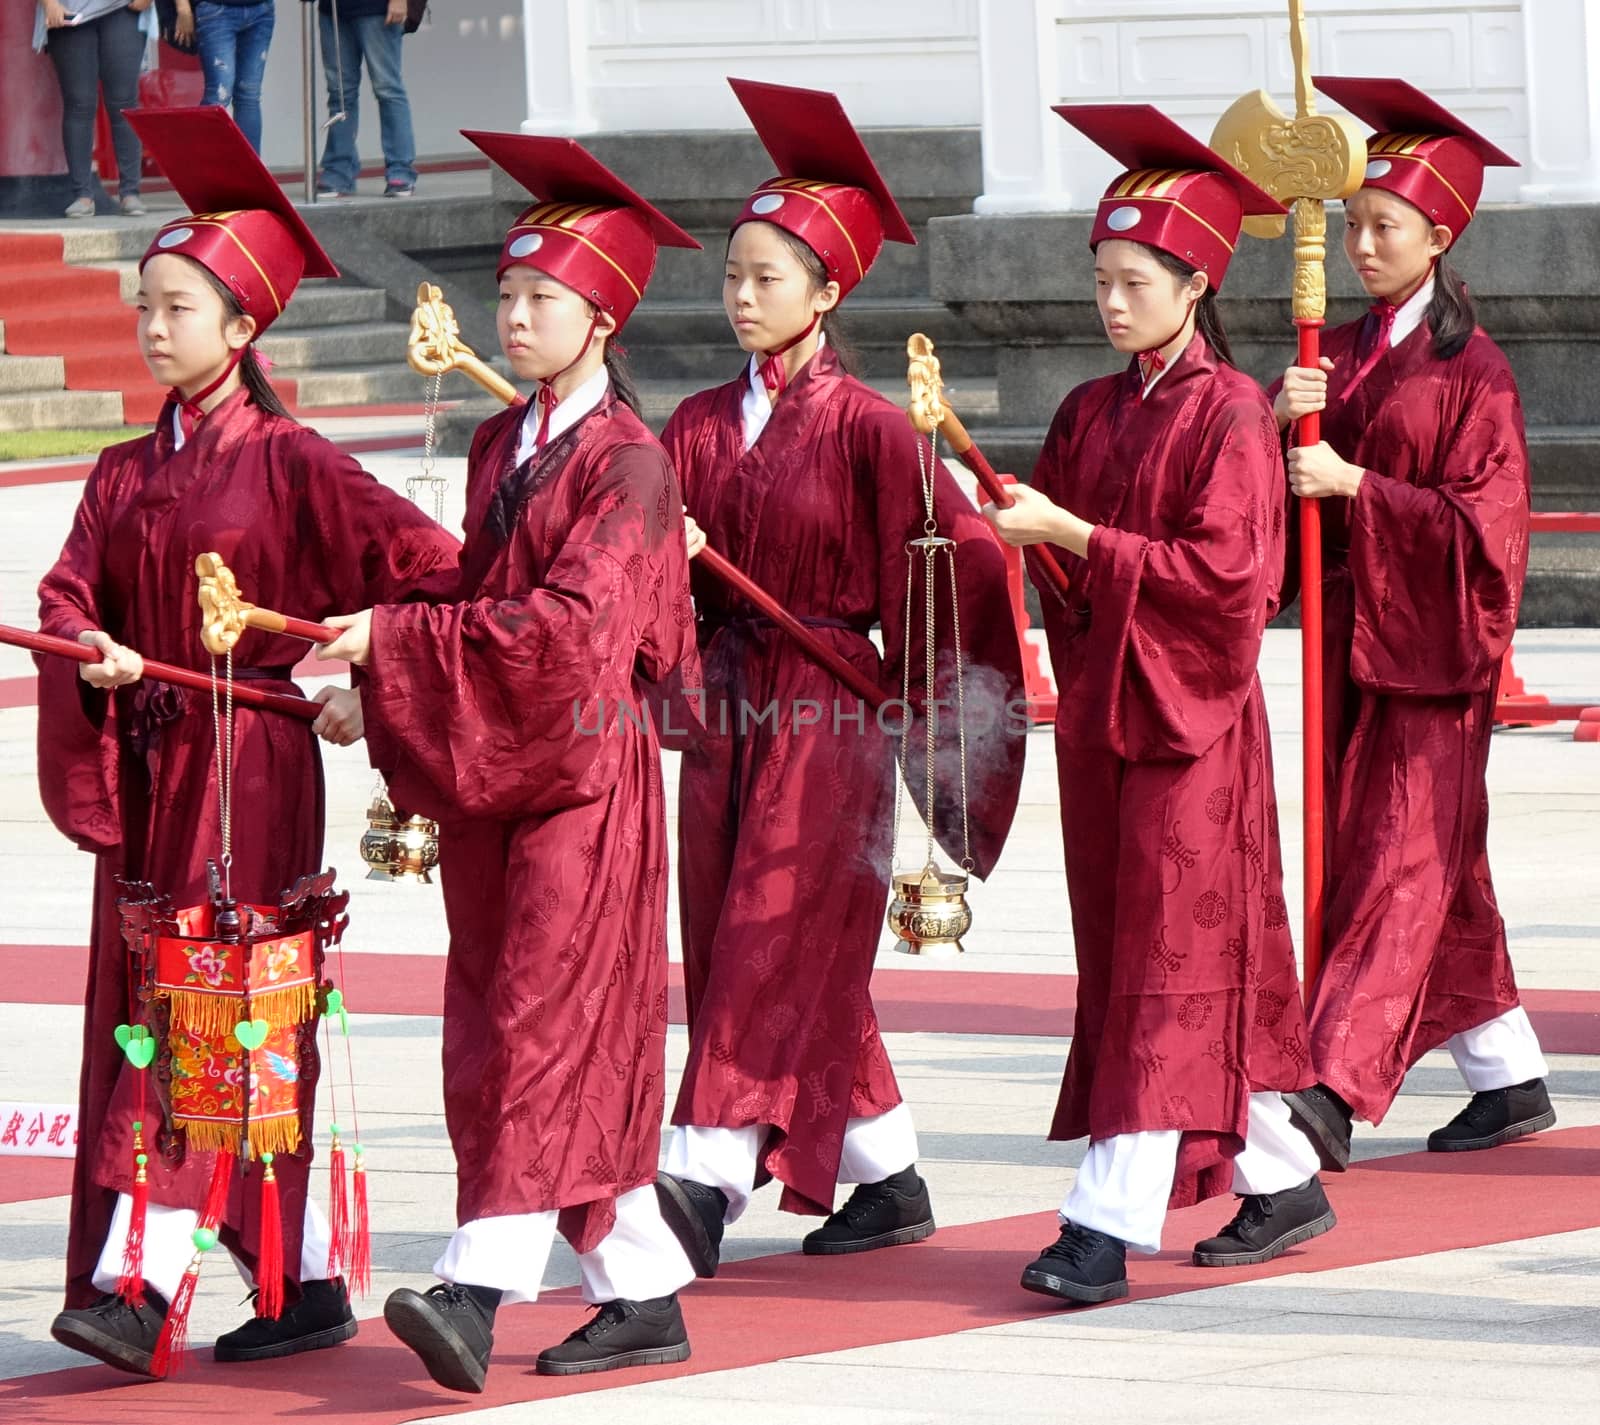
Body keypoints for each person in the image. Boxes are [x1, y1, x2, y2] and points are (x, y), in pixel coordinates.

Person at [37, 107, 461, 1379]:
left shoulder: (296, 463)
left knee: (214, 1011)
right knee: (204, 1014)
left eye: (177, 308)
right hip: (156, 762)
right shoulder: (121, 470)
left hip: (251, 774)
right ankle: (306, 1280)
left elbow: (434, 576)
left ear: (244, 327)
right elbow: (65, 594)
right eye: (147, 307)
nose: (155, 327)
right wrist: (93, 653)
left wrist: (359, 675)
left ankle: (141, 1280)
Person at [316, 129, 704, 1392]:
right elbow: (477, 602)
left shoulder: (633, 465)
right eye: (510, 296)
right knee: (503, 1025)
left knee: (539, 1026)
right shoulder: (504, 448)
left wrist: (402, 639)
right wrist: (375, 678)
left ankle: (476, 1288)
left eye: (543, 299)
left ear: (603, 319)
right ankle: (640, 1287)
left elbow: (575, 637)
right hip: (503, 777)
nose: (518, 315)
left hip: (585, 785)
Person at [652, 78, 1026, 1279]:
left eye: (769, 279)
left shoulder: (873, 428)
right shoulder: (695, 423)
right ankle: (889, 1170)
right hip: (727, 705)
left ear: (828, 292)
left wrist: (922, 692)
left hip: (829, 708)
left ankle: (700, 1180)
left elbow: (954, 556)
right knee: (744, 935)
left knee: (774, 929)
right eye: (732, 278)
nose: (744, 298)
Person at [983, 104, 1332, 1305]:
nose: (1112, 301)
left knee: (1169, 964)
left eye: (1136, 280)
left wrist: (1073, 532)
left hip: (1193, 731)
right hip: (1108, 721)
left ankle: (1103, 1221)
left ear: (1196, 283)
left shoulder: (1230, 411)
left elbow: (1231, 583)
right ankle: (1281, 1173)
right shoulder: (1091, 408)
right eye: (1100, 279)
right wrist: (1006, 521)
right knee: (1145, 960)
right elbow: (1072, 571)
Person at [1272, 77, 1552, 1173]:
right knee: (1440, 866)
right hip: (1349, 639)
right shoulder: (1329, 351)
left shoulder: (1471, 371)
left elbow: (1490, 531)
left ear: (1439, 237)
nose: (1360, 242)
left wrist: (1354, 487)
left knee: (1395, 859)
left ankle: (1331, 1083)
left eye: (1383, 225)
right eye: (1351, 222)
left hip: (1430, 649)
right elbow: (1278, 475)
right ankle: (1507, 1070)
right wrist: (1279, 420)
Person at [33, 0, 155, 217]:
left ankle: (130, 193)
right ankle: (82, 196)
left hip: (123, 9)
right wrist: (49, 3)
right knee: (79, 103)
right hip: (68, 11)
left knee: (124, 102)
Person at [304, 0, 417, 198]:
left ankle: (400, 170)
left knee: (387, 90)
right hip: (333, 10)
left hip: (377, 9)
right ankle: (339, 171)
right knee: (340, 93)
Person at [172, 0, 276, 155]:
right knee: (219, 95)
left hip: (261, 8)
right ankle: (201, 168)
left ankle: (250, 176)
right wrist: (183, 8)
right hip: (216, 9)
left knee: (249, 95)